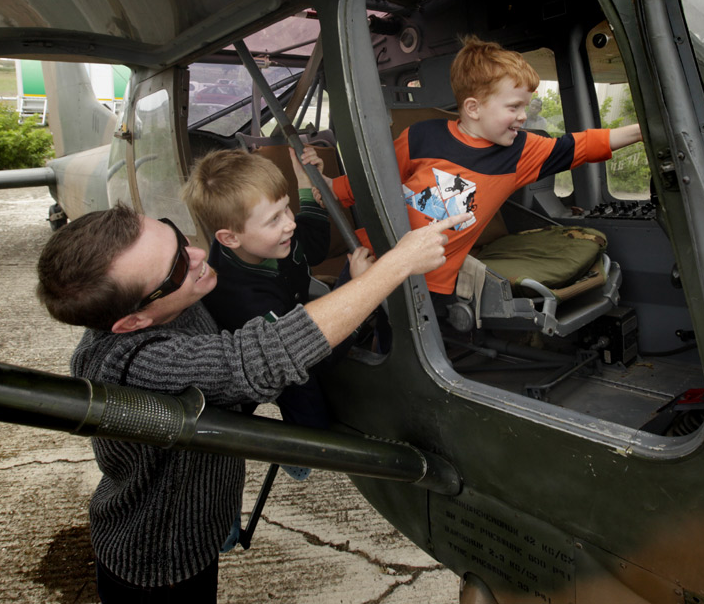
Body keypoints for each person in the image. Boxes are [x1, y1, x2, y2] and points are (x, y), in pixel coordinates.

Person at [35, 202, 468, 602]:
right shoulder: (139, 365)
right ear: (134, 321)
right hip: (160, 555)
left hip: (202, 516)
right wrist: (397, 265)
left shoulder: (168, 301)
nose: (199, 253)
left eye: (177, 235)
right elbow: (264, 356)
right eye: (178, 267)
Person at [328, 35, 643, 298]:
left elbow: (581, 146)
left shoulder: (520, 151)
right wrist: (332, 190)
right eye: (513, 106)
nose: (523, 115)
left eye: (524, 105)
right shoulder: (422, 137)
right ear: (473, 108)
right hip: (376, 253)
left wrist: (643, 130)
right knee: (340, 329)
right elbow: (376, 179)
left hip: (433, 278)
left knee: (393, 344)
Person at [181, 147, 374, 434]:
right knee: (301, 394)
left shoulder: (270, 241)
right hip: (285, 359)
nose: (290, 222)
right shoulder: (243, 300)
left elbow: (313, 246)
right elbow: (309, 356)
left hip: (293, 313)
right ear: (230, 238)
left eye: (287, 207)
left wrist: (306, 185)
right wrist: (357, 290)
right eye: (274, 218)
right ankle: (307, 444)